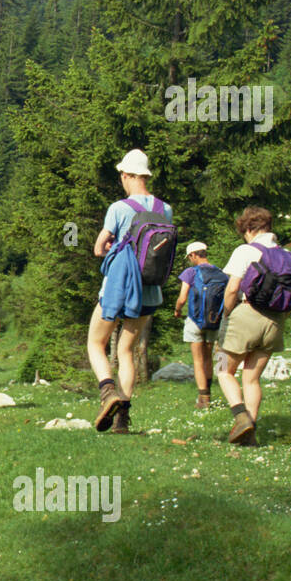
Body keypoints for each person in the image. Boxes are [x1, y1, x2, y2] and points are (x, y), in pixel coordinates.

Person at [87, 149, 174, 434]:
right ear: (145, 175)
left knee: (96, 343)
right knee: (127, 350)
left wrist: (108, 247)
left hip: (119, 288)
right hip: (150, 291)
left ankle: (107, 392)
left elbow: (99, 247)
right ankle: (122, 419)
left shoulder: (119, 208)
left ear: (126, 176)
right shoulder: (165, 209)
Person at [215, 206, 291, 446]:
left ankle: (240, 417)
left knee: (222, 368)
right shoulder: (287, 254)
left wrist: (227, 313)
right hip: (276, 321)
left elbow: (231, 288)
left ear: (249, 229)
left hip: (246, 314)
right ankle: (250, 432)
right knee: (251, 378)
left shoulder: (246, 250)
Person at [173, 242, 224, 409]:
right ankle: (209, 393)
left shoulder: (190, 272)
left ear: (194, 255)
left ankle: (203, 399)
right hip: (214, 321)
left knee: (197, 360)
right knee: (208, 357)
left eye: (189, 257)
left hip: (195, 320)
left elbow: (182, 298)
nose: (189, 260)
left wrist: (177, 310)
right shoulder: (220, 273)